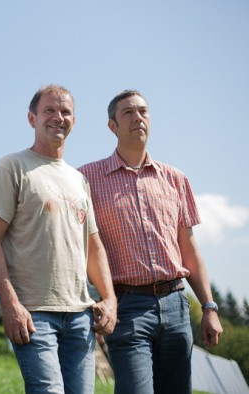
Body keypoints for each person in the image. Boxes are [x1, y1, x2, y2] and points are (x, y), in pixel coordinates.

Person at [79, 89, 223, 394]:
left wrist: (209, 307)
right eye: (128, 113)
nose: (138, 117)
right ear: (112, 126)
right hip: (126, 305)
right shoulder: (86, 179)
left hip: (176, 305)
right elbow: (80, 247)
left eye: (143, 111)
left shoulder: (176, 179)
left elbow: (190, 251)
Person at [0, 84, 117, 394]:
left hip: (80, 315)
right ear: (32, 118)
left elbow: (93, 245)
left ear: (74, 120)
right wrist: (10, 303)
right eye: (49, 111)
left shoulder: (78, 179)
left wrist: (109, 299)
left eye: (65, 111)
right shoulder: (13, 166)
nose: (58, 117)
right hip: (33, 313)